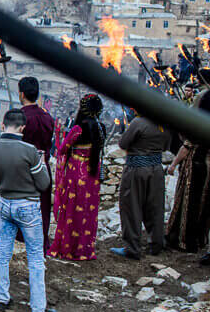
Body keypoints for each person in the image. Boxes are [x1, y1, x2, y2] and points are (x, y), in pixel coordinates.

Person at [0, 109, 55, 312]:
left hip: (5, 204)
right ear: (23, 128)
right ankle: (38, 309)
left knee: (3, 252)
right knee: (35, 257)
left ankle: (2, 297)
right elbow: (44, 183)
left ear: (3, 125)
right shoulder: (30, 151)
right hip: (28, 206)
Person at [47, 94, 106, 261]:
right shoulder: (101, 128)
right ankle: (84, 248)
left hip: (76, 171)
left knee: (72, 207)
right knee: (88, 209)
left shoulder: (78, 128)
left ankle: (68, 247)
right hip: (92, 172)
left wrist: (58, 137)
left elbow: (63, 149)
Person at [112, 108, 171, 259]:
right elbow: (166, 147)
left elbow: (123, 144)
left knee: (131, 206)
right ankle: (157, 244)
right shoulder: (164, 125)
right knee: (155, 207)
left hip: (137, 169)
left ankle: (132, 248)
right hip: (156, 169)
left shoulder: (138, 122)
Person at [166, 91, 210, 253]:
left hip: (196, 165)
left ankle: (184, 240)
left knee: (188, 202)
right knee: (204, 204)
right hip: (207, 166)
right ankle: (200, 240)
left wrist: (173, 164)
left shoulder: (200, 124)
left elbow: (187, 146)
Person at [19, 76, 56, 249]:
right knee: (42, 206)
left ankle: (22, 240)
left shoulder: (20, 117)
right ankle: (40, 241)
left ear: (21, 94)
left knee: (22, 206)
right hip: (43, 166)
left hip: (24, 168)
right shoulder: (47, 118)